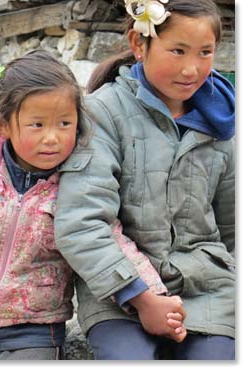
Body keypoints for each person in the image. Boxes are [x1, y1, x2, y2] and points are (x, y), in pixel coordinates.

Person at [0, 49, 183, 360]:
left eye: (64, 123)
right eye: (37, 125)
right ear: (5, 126)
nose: (52, 138)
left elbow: (111, 239)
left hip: (34, 333)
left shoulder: (76, 185)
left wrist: (151, 296)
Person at [54, 0, 235, 360]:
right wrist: (141, 296)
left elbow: (233, 226)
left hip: (207, 292)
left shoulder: (223, 124)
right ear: (139, 44)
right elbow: (81, 221)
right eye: (178, 51)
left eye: (205, 53)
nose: (191, 68)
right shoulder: (103, 113)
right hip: (119, 295)